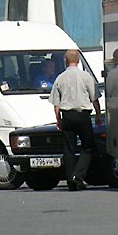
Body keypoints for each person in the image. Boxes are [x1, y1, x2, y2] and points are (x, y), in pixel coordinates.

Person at [48, 49, 102, 191]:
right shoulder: (86, 77)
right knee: (88, 146)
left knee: (69, 149)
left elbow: (56, 104)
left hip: (67, 116)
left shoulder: (60, 78)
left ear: (65, 61)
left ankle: (71, 180)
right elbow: (94, 98)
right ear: (78, 61)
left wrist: (58, 120)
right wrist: (97, 114)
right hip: (82, 115)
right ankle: (78, 176)